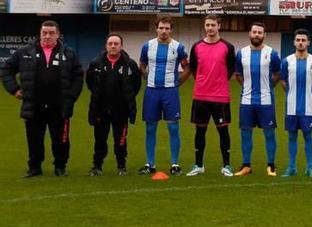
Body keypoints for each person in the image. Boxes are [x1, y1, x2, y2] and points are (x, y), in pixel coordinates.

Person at [1, 20, 84, 177]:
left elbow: (78, 76)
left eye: (51, 33)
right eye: (44, 33)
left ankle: (60, 166)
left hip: (59, 106)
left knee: (61, 140)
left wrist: (71, 96)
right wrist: (14, 89)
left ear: (58, 35)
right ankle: (34, 167)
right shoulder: (25, 52)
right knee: (34, 139)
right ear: (39, 34)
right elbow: (6, 69)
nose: (47, 36)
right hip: (34, 105)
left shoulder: (68, 53)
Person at [186, 14, 237, 177]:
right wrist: (203, 81)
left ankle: (227, 165)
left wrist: (218, 82)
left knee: (223, 132)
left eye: (213, 25)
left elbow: (230, 69)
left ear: (219, 26)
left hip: (220, 97)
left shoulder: (228, 47)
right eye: (207, 25)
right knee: (199, 132)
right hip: (200, 96)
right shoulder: (196, 47)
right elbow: (193, 68)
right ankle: (198, 165)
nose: (210, 28)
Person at [138, 16, 189, 176]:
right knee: (150, 128)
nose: (164, 31)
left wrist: (176, 83)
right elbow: (142, 66)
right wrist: (149, 79)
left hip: (170, 92)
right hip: (152, 92)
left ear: (171, 30)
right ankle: (150, 164)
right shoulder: (148, 46)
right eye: (161, 28)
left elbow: (187, 68)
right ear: (156, 28)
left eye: (167, 28)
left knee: (173, 128)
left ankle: (175, 164)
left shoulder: (178, 47)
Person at [86, 34, 142, 176]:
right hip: (101, 109)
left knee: (121, 140)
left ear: (121, 46)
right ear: (106, 46)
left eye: (116, 43)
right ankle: (97, 166)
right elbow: (90, 83)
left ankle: (121, 166)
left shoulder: (130, 64)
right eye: (110, 43)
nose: (113, 46)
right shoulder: (96, 63)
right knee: (100, 140)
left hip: (121, 110)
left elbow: (136, 85)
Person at [233, 22, 281, 176]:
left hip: (266, 100)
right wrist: (247, 88)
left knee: (269, 133)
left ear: (264, 35)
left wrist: (268, 88)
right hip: (246, 101)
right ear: (249, 33)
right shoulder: (241, 54)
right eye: (254, 32)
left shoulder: (272, 53)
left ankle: (271, 165)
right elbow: (238, 75)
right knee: (246, 133)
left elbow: (277, 74)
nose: (256, 35)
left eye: (260, 32)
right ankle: (246, 165)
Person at [281, 29, 312, 178]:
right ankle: (291, 167)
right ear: (294, 42)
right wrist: (292, 93)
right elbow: (283, 81)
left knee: (308, 137)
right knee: (292, 137)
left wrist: (308, 93)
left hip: (308, 107)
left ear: (308, 43)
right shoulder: (287, 61)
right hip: (291, 106)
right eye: (298, 40)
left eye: (303, 40)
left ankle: (310, 168)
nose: (300, 43)